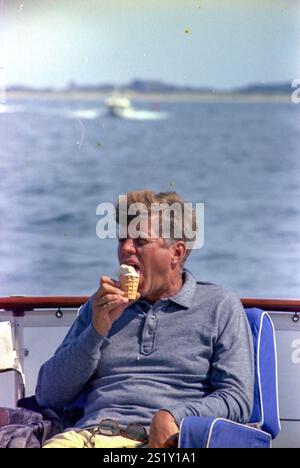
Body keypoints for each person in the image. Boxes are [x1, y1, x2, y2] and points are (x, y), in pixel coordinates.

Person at [36, 190, 254, 448]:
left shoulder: (219, 306)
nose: (126, 248)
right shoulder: (99, 307)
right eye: (122, 240)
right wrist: (96, 331)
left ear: (176, 252)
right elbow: (48, 395)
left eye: (140, 241)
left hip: (162, 442)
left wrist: (173, 417)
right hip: (88, 437)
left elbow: (237, 399)